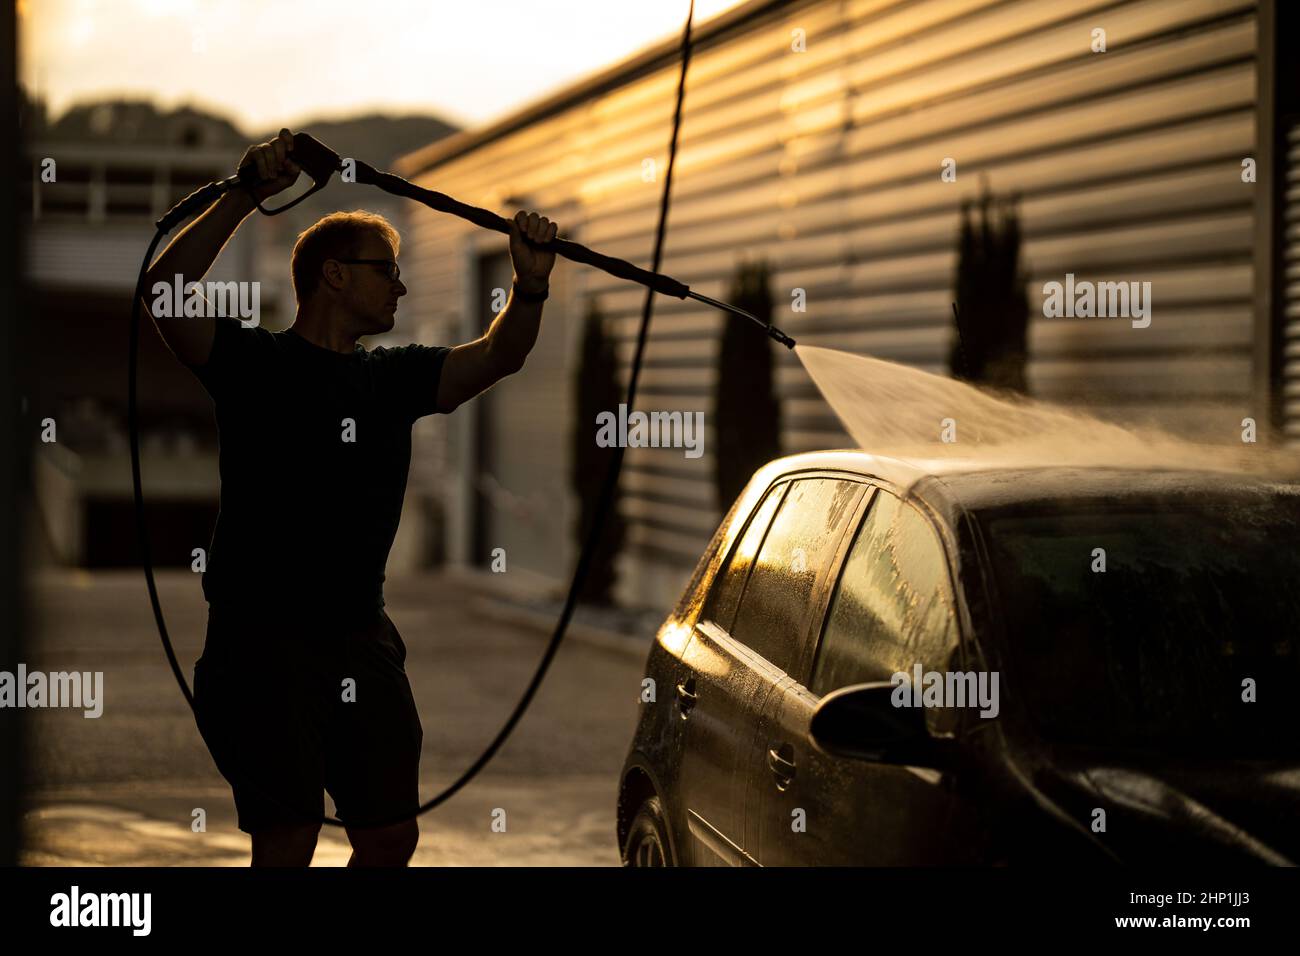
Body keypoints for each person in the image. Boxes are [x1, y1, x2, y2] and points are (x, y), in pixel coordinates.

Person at [141, 128, 558, 866]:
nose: (400, 287)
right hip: (259, 645)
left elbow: (502, 354)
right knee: (288, 838)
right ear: (333, 276)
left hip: (360, 639)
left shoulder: (391, 378)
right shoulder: (254, 364)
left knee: (391, 834)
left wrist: (528, 286)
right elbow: (165, 291)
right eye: (386, 272)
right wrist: (243, 195)